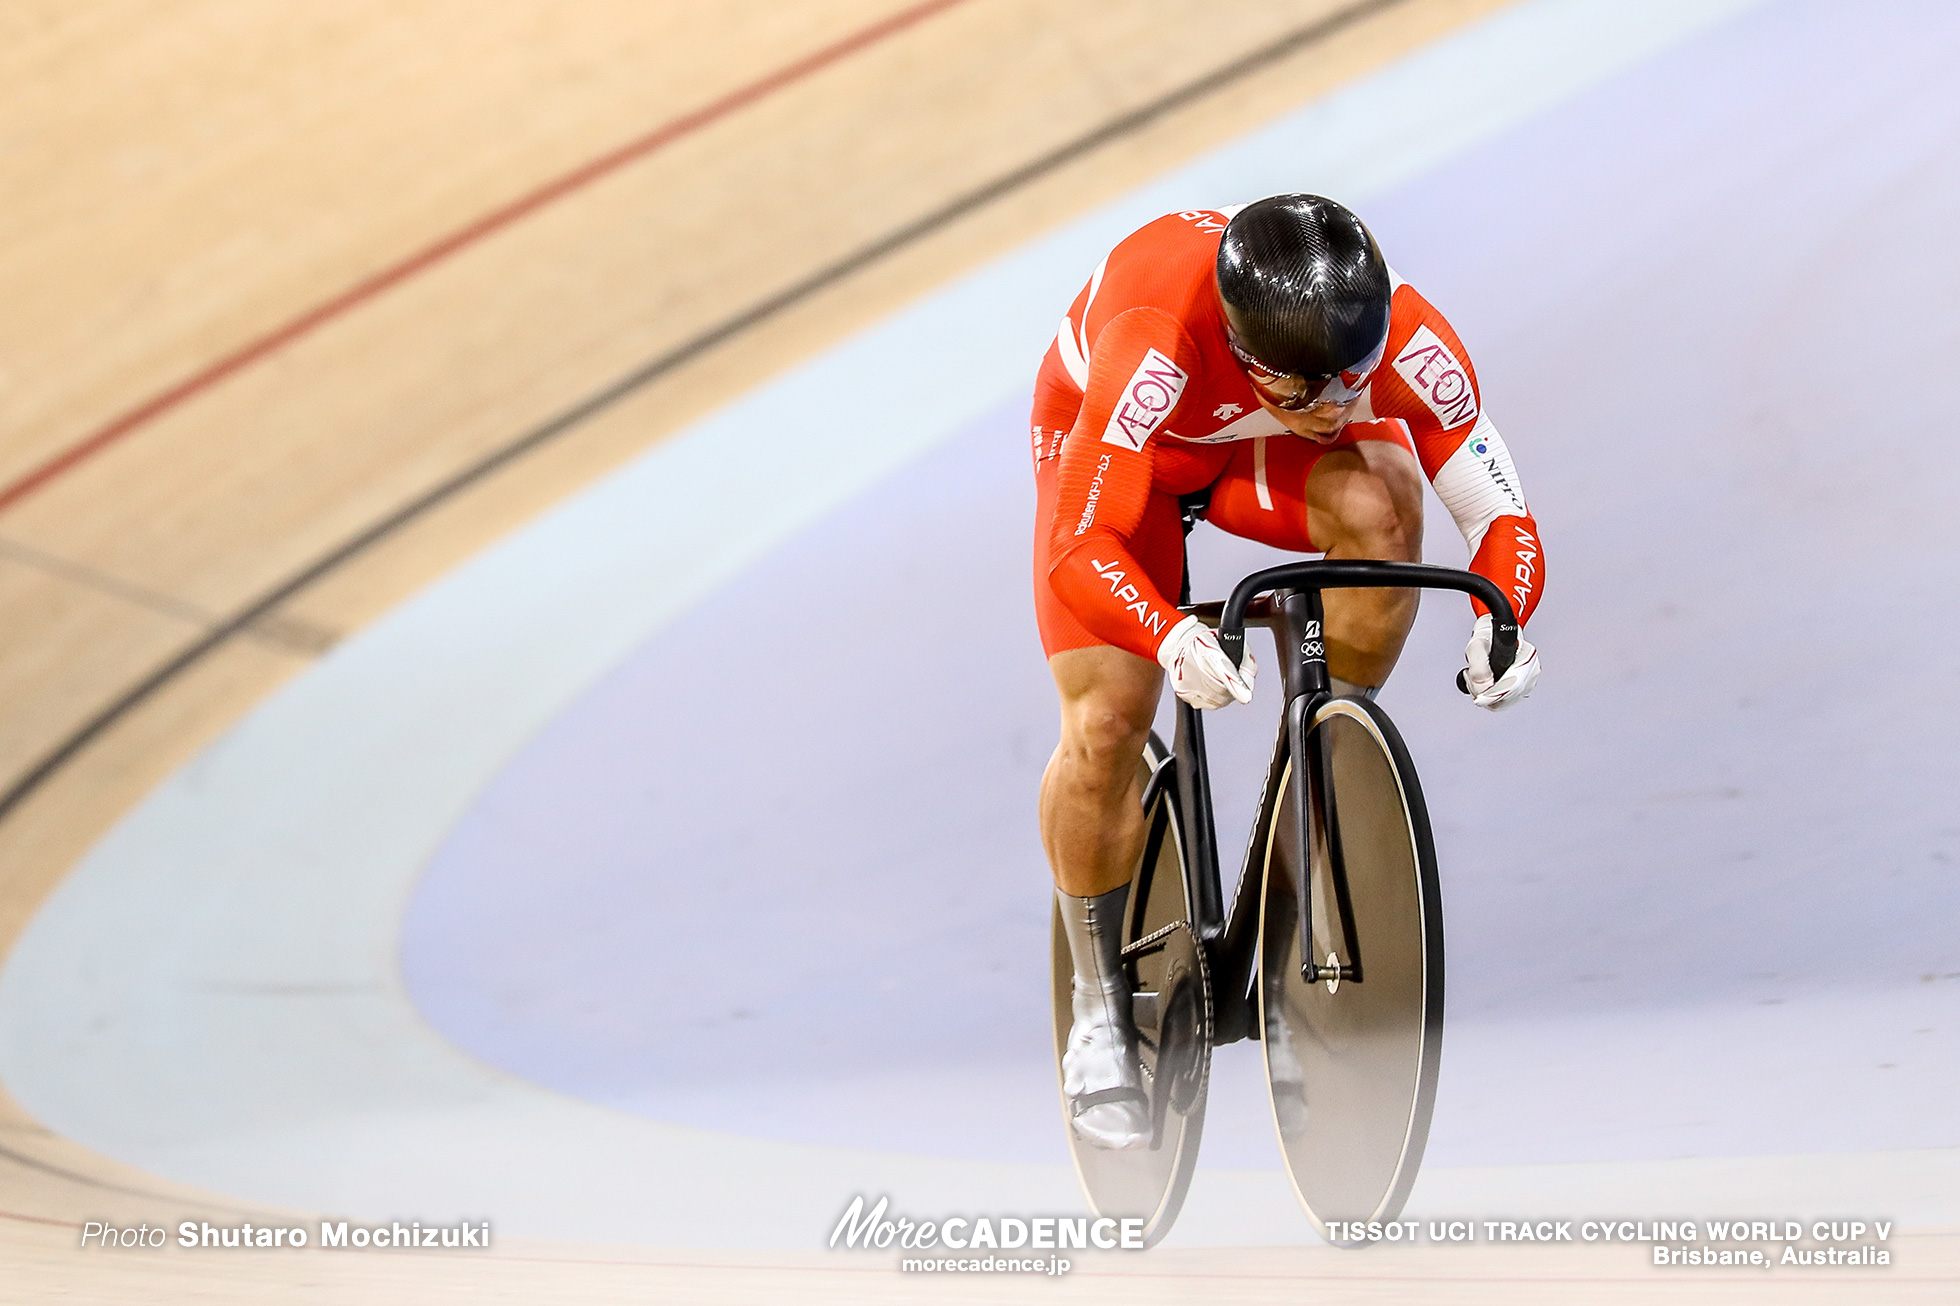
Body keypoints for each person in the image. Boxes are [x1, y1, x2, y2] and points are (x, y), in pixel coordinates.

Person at [1033, 194, 1544, 1148]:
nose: (1339, 408)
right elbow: (1080, 547)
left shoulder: (1401, 341)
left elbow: (1500, 514)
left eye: (1355, 379)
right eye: (1305, 391)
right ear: (1245, 353)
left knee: (1387, 504)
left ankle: (1314, 766)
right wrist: (1168, 633)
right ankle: (1101, 1007)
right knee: (1107, 721)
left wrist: (1504, 614)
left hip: (1242, 447)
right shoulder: (1155, 341)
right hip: (1121, 446)